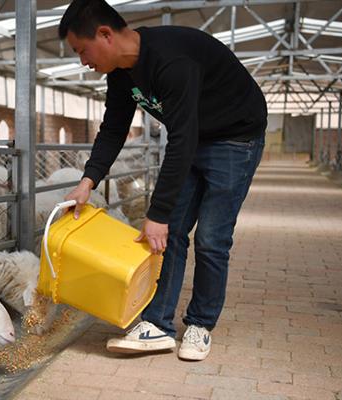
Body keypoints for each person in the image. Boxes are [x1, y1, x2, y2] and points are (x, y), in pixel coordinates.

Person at [59, 0, 267, 361]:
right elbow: (113, 129)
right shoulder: (121, 75)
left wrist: (157, 212)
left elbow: (182, 140)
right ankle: (158, 325)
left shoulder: (172, 61)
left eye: (82, 50)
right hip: (195, 137)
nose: (83, 61)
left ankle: (200, 325)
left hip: (236, 137)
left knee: (211, 238)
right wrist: (88, 181)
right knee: (168, 234)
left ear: (105, 35)